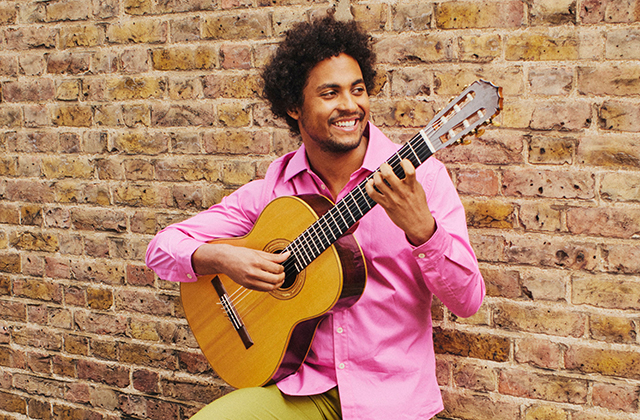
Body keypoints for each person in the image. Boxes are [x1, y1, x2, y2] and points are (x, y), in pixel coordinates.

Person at [145, 15, 485, 420]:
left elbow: (467, 301)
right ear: (294, 106)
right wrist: (221, 259)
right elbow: (162, 249)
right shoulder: (275, 189)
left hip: (390, 400)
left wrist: (421, 229)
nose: (350, 105)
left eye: (358, 90)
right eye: (330, 93)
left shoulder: (420, 178)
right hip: (302, 391)